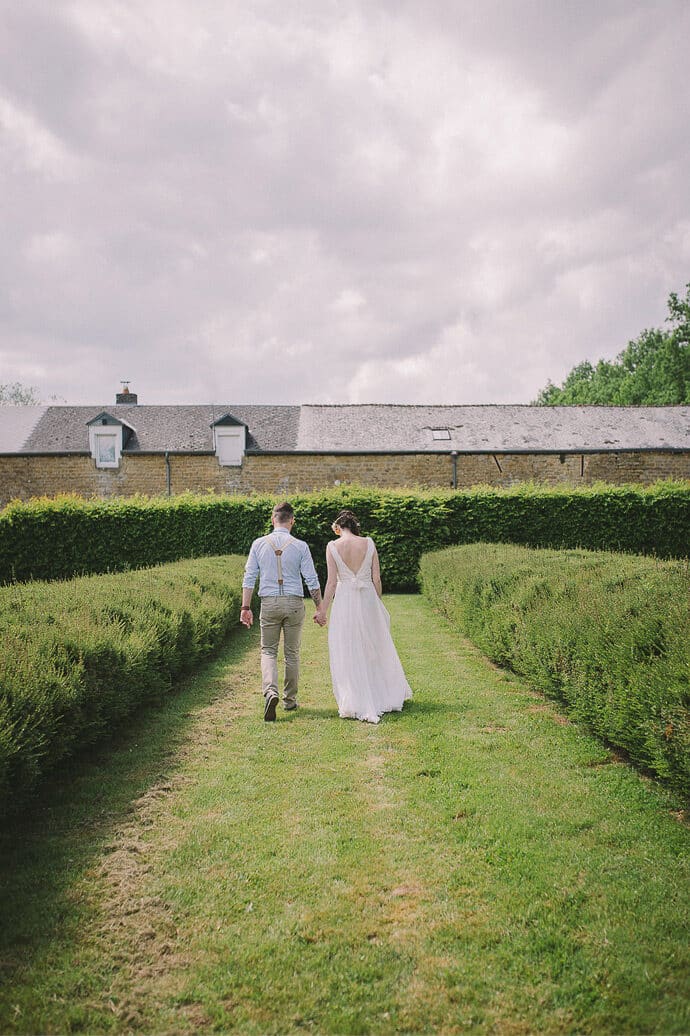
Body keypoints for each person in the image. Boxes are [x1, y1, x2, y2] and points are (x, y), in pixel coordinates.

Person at [314, 510, 412, 724]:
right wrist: (377, 602)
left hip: (345, 600)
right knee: (374, 645)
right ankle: (382, 692)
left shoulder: (333, 546)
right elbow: (376, 579)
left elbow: (331, 583)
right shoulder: (369, 542)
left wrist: (322, 609)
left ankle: (355, 696)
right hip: (368, 598)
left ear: (338, 528)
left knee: (348, 646)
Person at [241, 501, 324, 721]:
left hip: (269, 603)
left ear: (273, 519)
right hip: (294, 602)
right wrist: (319, 607)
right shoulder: (300, 545)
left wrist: (245, 607)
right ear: (292, 521)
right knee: (292, 653)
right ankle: (290, 700)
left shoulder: (258, 543)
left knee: (268, 650)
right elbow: (311, 579)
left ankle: (270, 691)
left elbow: (249, 577)